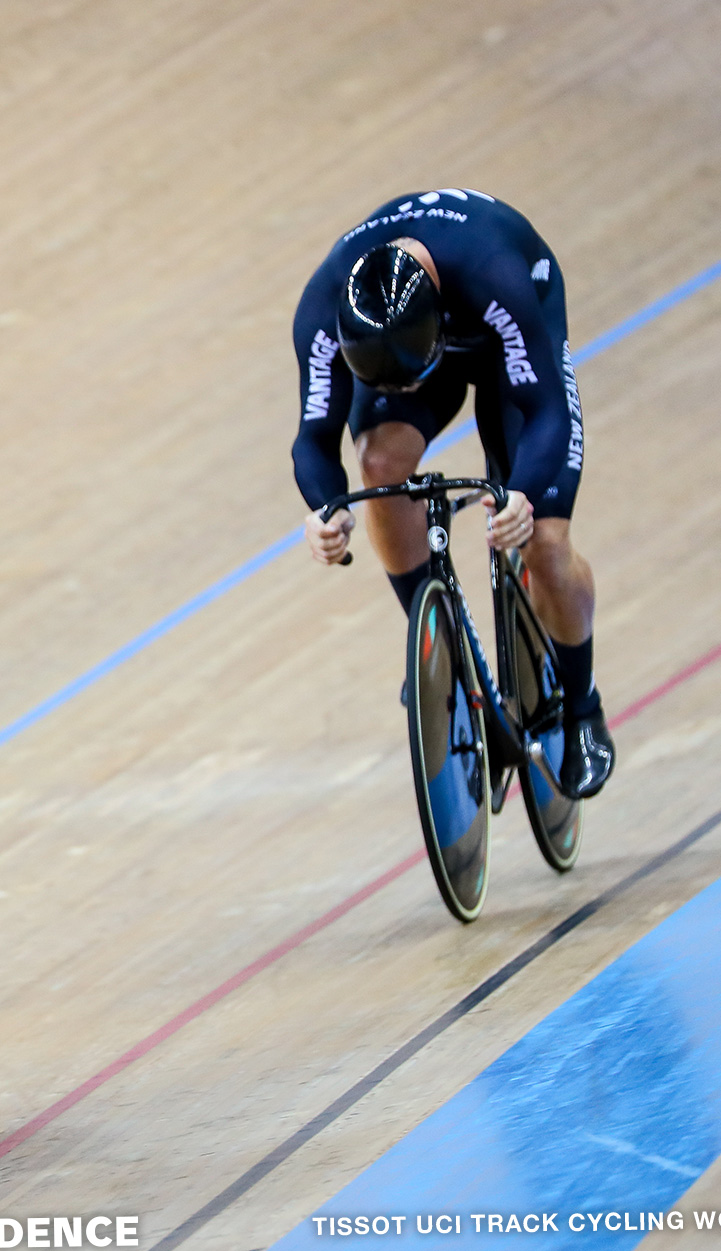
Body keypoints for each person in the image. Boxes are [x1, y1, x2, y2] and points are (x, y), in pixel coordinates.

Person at [290, 189, 614, 797]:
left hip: (508, 333)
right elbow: (313, 438)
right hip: (420, 340)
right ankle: (433, 632)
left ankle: (582, 705)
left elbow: (544, 409)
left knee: (544, 539)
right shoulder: (321, 309)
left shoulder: (492, 269)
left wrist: (520, 495)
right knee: (380, 462)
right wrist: (324, 510)